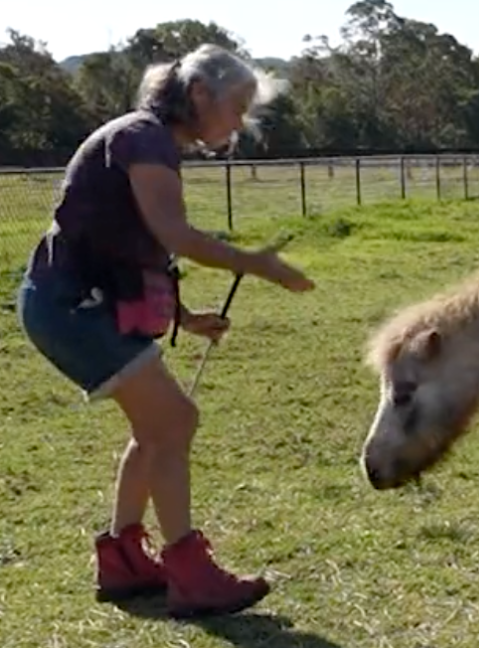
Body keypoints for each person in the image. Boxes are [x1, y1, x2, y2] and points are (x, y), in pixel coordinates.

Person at [15, 43, 315, 619]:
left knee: (154, 428)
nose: (239, 123)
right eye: (237, 107)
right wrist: (259, 264)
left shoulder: (149, 140)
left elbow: (133, 243)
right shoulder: (144, 138)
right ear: (199, 94)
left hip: (76, 302)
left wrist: (184, 316)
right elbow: (175, 235)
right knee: (175, 421)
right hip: (71, 307)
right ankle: (191, 575)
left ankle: (125, 560)